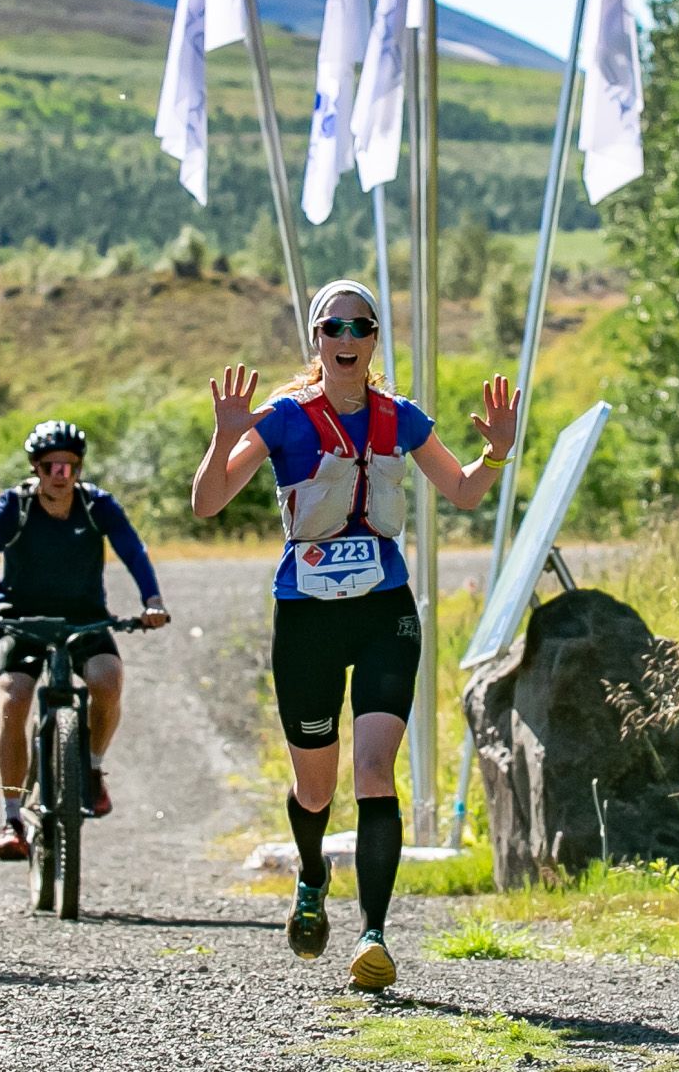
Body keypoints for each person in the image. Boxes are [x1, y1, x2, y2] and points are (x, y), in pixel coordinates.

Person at [190, 279, 519, 992]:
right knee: (316, 787)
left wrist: (495, 455)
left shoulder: (400, 418)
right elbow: (208, 502)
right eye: (333, 326)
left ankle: (373, 935)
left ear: (374, 340)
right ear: (317, 339)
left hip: (383, 610)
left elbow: (461, 490)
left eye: (359, 326)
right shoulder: (282, 418)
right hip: (306, 613)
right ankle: (313, 871)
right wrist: (223, 437)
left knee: (374, 769)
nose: (346, 338)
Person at [0, 419, 170, 861]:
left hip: (84, 618)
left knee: (107, 679)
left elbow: (133, 549)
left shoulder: (96, 506)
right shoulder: (13, 506)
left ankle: (90, 769)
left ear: (79, 468)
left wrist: (152, 600)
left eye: (69, 465)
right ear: (36, 468)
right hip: (21, 620)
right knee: (13, 699)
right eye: (51, 465)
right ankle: (12, 817)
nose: (60, 474)